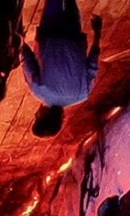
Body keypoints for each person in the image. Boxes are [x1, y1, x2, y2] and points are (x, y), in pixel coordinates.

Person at [20, 0, 101, 136]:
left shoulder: (83, 94)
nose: (35, 113)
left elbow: (93, 62)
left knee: (71, 6)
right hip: (50, 35)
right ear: (43, 116)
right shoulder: (39, 91)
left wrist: (97, 33)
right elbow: (27, 59)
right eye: (37, 117)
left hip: (74, 36)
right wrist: (20, 39)